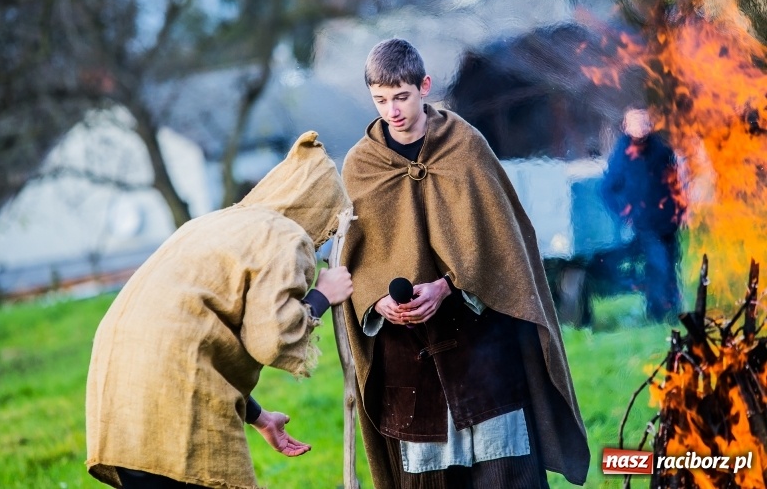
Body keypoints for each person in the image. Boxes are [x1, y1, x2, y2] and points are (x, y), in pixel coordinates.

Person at [340, 38, 590, 488]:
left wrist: (449, 286)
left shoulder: (465, 146)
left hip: (483, 356)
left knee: (507, 473)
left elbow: (505, 246)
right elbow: (353, 264)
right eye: (381, 100)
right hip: (410, 368)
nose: (392, 110)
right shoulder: (360, 167)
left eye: (402, 97)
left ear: (424, 87)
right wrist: (378, 302)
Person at [86, 132, 353, 489]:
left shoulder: (214, 223)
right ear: (318, 210)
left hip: (119, 391)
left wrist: (260, 418)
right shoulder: (285, 235)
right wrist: (322, 294)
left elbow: (196, 332)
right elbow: (272, 337)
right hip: (171, 399)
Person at [601, 107, 686, 322]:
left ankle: (671, 309)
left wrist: (682, 210)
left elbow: (675, 183)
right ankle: (660, 312)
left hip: (668, 220)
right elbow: (608, 188)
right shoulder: (622, 155)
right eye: (635, 122)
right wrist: (625, 212)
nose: (640, 127)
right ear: (626, 127)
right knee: (658, 265)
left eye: (644, 122)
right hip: (644, 223)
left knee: (670, 263)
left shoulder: (661, 151)